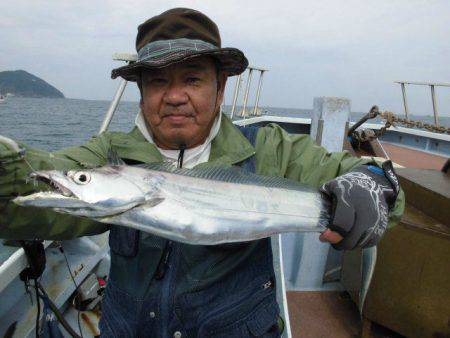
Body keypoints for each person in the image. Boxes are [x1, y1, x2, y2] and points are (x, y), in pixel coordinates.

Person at [0, 8, 404, 338]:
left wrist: (371, 184)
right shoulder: (108, 156)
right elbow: (31, 194)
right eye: (158, 81)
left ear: (220, 88)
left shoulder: (268, 149)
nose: (175, 96)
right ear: (142, 92)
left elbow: (376, 182)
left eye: (192, 79)